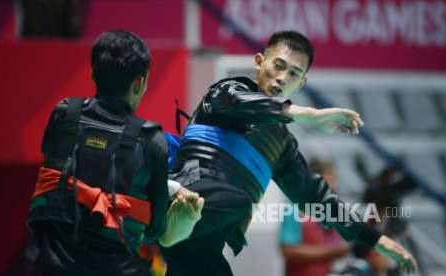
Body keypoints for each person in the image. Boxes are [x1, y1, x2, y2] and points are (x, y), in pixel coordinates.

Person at [162, 30, 417, 276]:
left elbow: (316, 197)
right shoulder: (226, 92)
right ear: (259, 62)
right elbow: (242, 103)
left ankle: (169, 233)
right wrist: (309, 114)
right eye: (279, 65)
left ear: (302, 82)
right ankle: (168, 225)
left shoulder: (282, 144)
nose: (283, 77)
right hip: (191, 199)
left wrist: (376, 240)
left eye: (294, 73)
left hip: (208, 241)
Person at [25, 30, 203, 276]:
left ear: (92, 73)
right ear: (139, 82)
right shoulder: (152, 141)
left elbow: (55, 183)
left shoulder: (64, 114)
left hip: (51, 267)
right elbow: (155, 230)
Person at [280, 159, 350, 276]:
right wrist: (334, 252)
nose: (334, 184)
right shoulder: (294, 208)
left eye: (334, 179)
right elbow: (289, 250)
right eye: (329, 179)